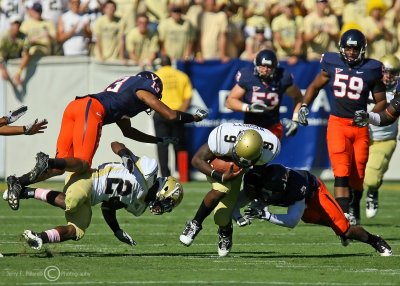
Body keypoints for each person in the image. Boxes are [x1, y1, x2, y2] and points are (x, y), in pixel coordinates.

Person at [6, 70, 208, 211]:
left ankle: (18, 182)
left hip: (76, 107)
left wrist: (158, 139)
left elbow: (128, 132)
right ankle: (47, 161)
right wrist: (194, 117)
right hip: (92, 110)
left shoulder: (125, 94)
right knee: (82, 164)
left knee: (62, 167)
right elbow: (170, 115)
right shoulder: (143, 87)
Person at [4, 141, 183, 250]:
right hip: (89, 178)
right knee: (71, 202)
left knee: (78, 230)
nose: (163, 207)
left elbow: (107, 207)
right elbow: (115, 144)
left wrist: (117, 231)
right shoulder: (149, 171)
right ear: (165, 189)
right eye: (167, 203)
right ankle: (27, 191)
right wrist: (125, 155)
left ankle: (39, 237)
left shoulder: (140, 207)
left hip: (90, 198)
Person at [298, 29, 387, 226]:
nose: (352, 53)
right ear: (341, 48)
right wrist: (304, 105)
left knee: (358, 175)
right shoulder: (332, 62)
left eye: (355, 49)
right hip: (337, 123)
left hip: (359, 127)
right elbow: (314, 86)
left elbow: (381, 101)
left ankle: (354, 205)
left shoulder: (372, 69)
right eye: (348, 48)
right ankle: (343, 215)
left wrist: (368, 115)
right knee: (341, 170)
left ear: (362, 50)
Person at [240, 164, 392, 256]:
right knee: (310, 219)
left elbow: (292, 221)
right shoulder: (259, 182)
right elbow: (242, 201)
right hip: (299, 199)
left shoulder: (296, 187)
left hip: (315, 194)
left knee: (345, 230)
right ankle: (337, 225)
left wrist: (265, 214)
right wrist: (240, 216)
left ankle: (376, 241)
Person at [179, 122, 281, 257]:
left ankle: (225, 231)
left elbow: (255, 176)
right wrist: (220, 176)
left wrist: (256, 197)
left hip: (239, 171)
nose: (241, 161)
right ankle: (195, 224)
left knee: (221, 217)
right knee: (221, 189)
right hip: (220, 165)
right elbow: (197, 160)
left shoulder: (271, 147)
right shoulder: (222, 137)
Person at [353, 55, 400, 218]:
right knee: (353, 175)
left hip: (384, 139)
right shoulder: (368, 83)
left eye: (392, 73)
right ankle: (352, 209)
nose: (388, 76)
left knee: (371, 179)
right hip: (362, 136)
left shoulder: (397, 92)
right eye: (385, 72)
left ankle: (372, 191)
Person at [225, 49, 303, 140]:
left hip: (273, 127)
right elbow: (229, 101)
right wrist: (248, 108)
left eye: (269, 67)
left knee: (267, 153)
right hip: (250, 127)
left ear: (275, 67)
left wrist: (296, 119)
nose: (265, 70)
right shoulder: (248, 76)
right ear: (256, 65)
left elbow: (298, 97)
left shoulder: (282, 78)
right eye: (262, 66)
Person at [154, 55, 193, 177]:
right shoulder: (181, 75)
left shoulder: (155, 76)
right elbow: (188, 97)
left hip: (161, 113)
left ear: (160, 64)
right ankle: (183, 175)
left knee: (162, 146)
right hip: (176, 113)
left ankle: (165, 175)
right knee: (180, 145)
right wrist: (180, 112)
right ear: (171, 63)